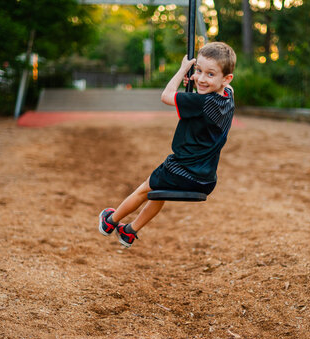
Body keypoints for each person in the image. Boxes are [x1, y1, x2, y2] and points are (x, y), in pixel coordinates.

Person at [99, 42, 236, 248]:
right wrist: (205, 79)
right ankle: (129, 231)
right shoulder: (228, 96)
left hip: (180, 170)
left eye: (210, 74)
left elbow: (166, 96)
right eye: (198, 71)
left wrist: (183, 70)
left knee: (144, 190)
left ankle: (110, 222)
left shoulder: (199, 102)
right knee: (158, 194)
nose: (200, 78)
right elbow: (218, 87)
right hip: (206, 180)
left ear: (226, 78)